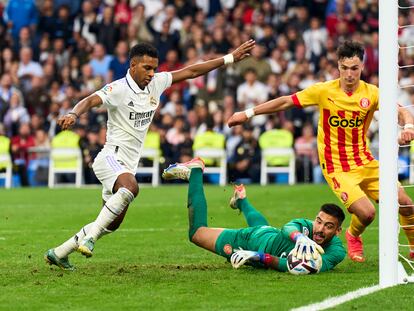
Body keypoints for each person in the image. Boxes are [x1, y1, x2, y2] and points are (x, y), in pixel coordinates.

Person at [44, 39, 256, 271]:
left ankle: (59, 253)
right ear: (133, 65)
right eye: (147, 68)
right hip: (110, 159)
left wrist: (230, 58)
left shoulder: (157, 82)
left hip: (127, 166)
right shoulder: (118, 89)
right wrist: (74, 114)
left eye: (154, 68)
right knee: (131, 188)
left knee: (111, 224)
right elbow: (90, 100)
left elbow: (193, 70)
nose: (152, 73)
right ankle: (90, 239)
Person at [228, 40, 414, 263]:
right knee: (367, 213)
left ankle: (413, 248)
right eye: (344, 68)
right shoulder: (324, 91)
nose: (349, 74)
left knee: (405, 203)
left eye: (354, 68)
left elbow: (402, 112)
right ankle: (353, 234)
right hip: (337, 167)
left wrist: (408, 127)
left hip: (365, 161)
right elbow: (286, 101)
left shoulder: (371, 94)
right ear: (338, 66)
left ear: (362, 67)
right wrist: (247, 114)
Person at [161, 157, 346, 272]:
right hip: (249, 240)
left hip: (263, 238)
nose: (320, 229)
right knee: (196, 233)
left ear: (338, 231)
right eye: (319, 222)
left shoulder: (336, 251)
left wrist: (258, 256)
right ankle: (195, 171)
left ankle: (242, 200)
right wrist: (299, 238)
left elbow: (294, 266)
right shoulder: (306, 227)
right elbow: (288, 228)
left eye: (328, 226)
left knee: (262, 228)